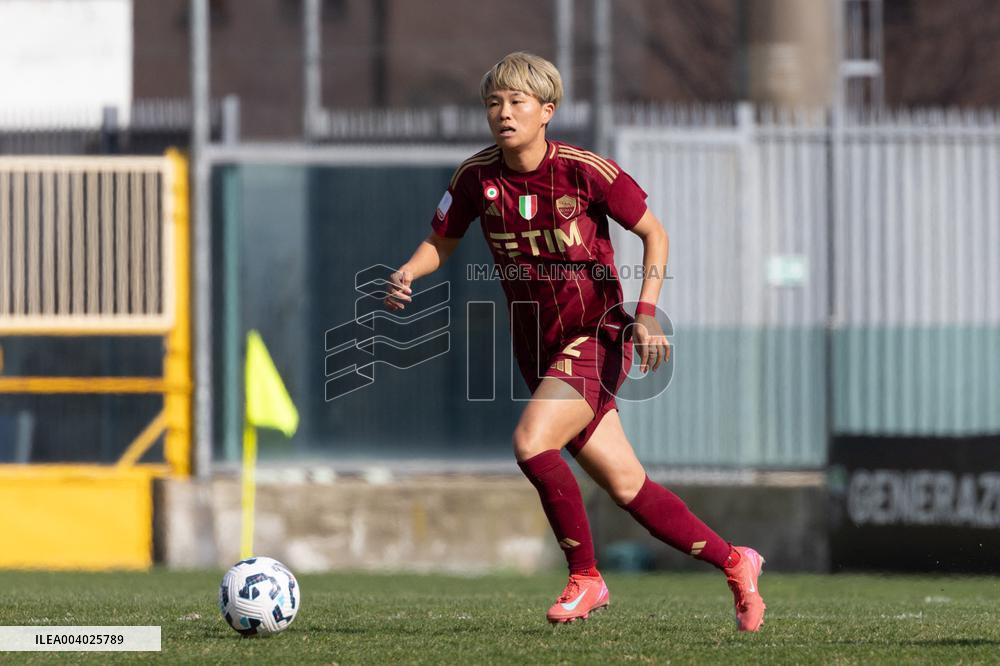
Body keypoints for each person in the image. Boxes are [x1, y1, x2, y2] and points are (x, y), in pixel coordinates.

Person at [385, 52, 765, 631]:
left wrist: (646, 313)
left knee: (532, 443)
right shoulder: (475, 178)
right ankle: (736, 562)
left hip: (598, 335)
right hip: (537, 347)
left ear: (547, 111)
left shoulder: (585, 171)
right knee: (627, 486)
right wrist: (411, 271)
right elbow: (442, 238)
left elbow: (653, 233)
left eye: (516, 102)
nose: (503, 113)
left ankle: (586, 577)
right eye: (494, 102)